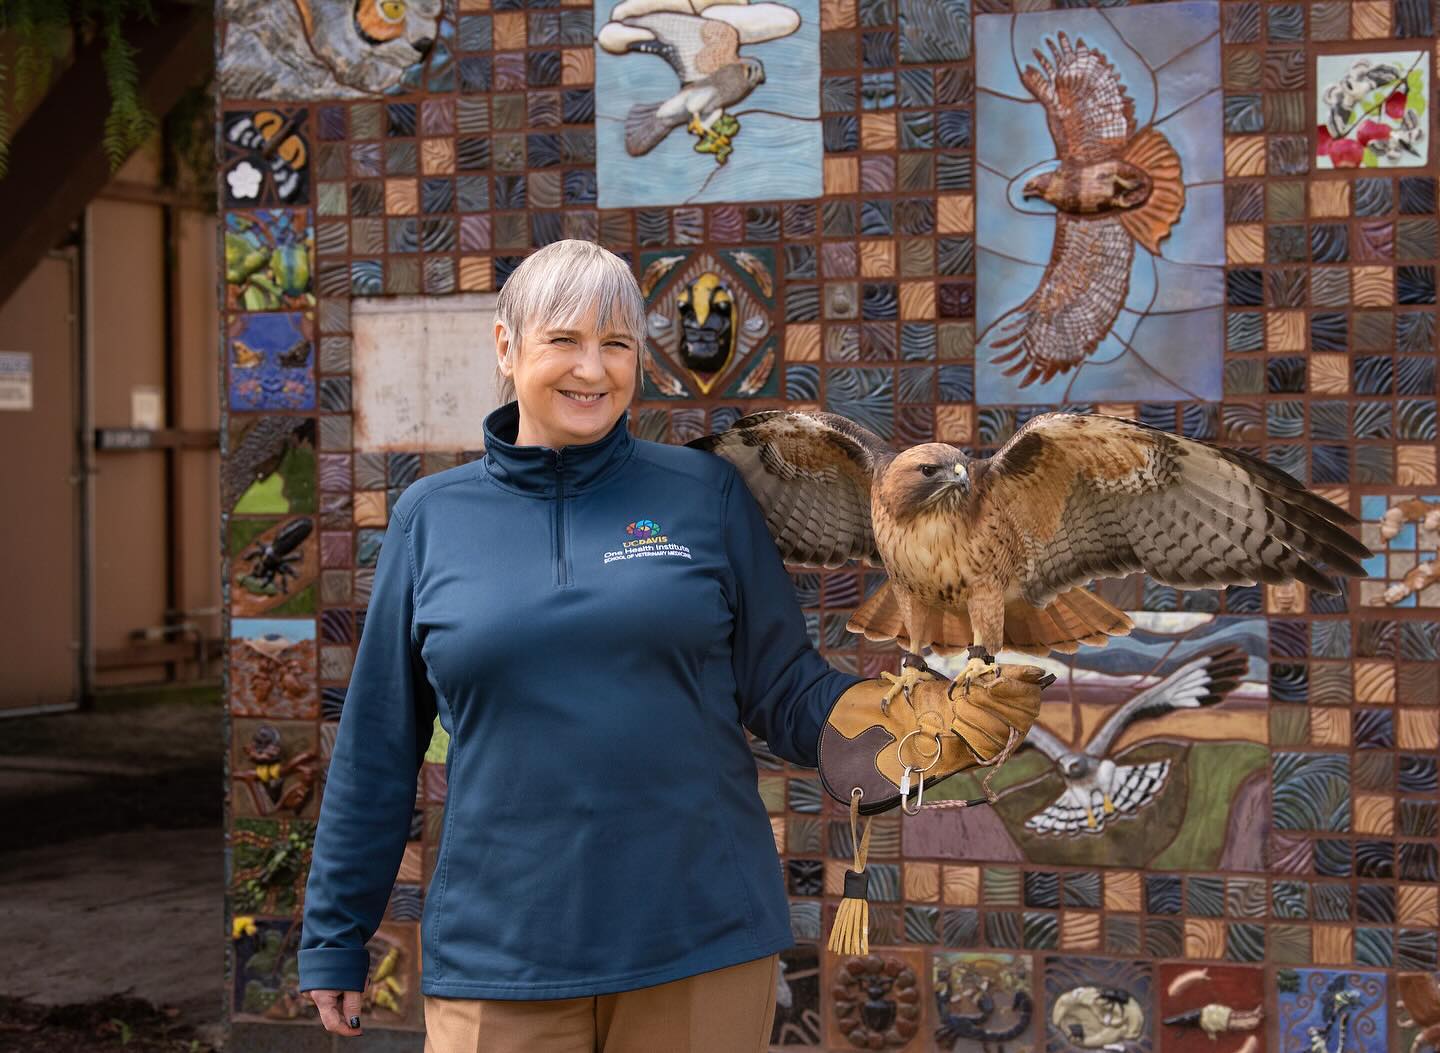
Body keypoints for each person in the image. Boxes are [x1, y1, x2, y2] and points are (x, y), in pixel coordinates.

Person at [295, 239, 870, 1051]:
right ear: (506, 346)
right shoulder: (432, 518)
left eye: (617, 345)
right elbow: (378, 744)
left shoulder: (705, 496)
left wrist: (885, 725)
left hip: (696, 935)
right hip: (500, 950)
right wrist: (335, 931)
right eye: (564, 340)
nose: (592, 370)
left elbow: (782, 685)